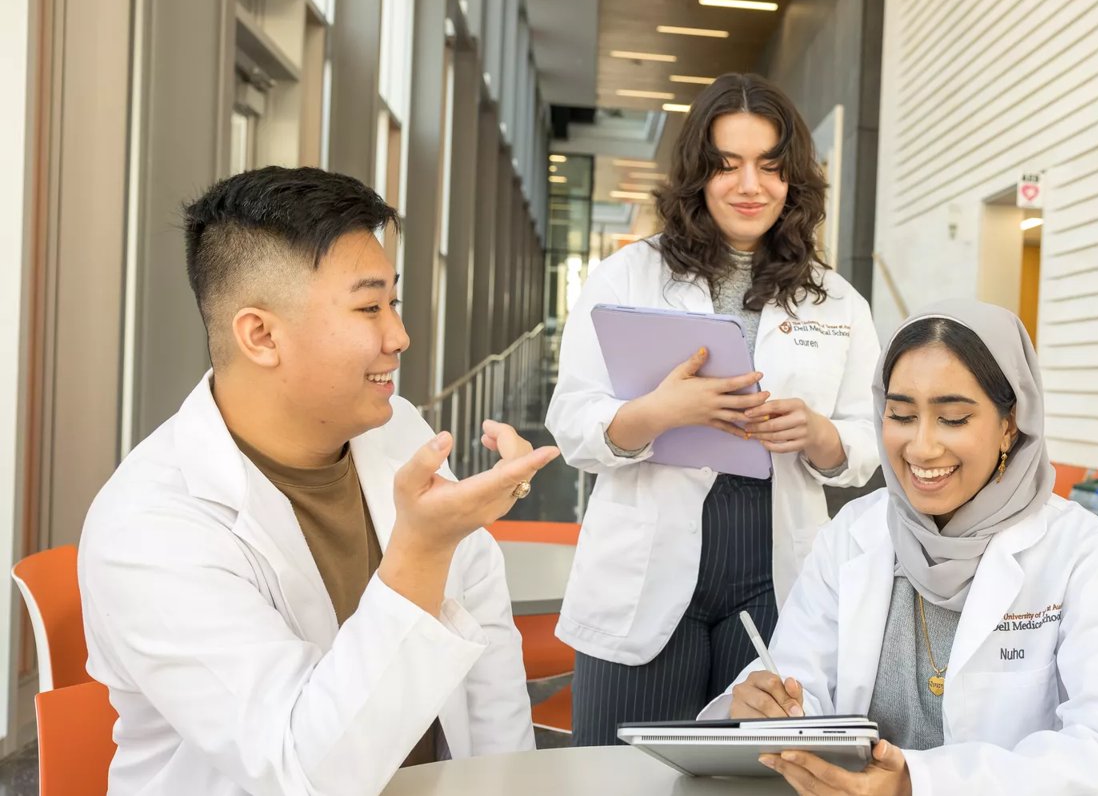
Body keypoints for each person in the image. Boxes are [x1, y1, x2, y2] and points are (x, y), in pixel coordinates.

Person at [79, 167, 559, 795]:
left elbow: (486, 648)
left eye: (393, 303)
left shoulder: (396, 430)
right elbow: (305, 773)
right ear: (261, 335)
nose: (400, 336)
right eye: (368, 307)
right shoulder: (149, 530)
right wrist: (422, 553)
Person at [546, 72, 881, 746]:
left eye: (770, 166)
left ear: (794, 179)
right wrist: (661, 411)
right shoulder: (629, 276)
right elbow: (573, 422)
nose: (750, 185)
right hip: (645, 565)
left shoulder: (837, 300)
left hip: (773, 570)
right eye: (728, 164)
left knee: (754, 775)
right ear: (698, 173)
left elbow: (868, 442)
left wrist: (818, 434)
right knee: (618, 775)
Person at [706, 300, 1098, 796]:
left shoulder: (1088, 556)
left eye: (954, 419)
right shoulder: (852, 535)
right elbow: (800, 686)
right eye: (901, 414)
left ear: (1010, 423)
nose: (921, 447)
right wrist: (767, 708)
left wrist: (916, 783)